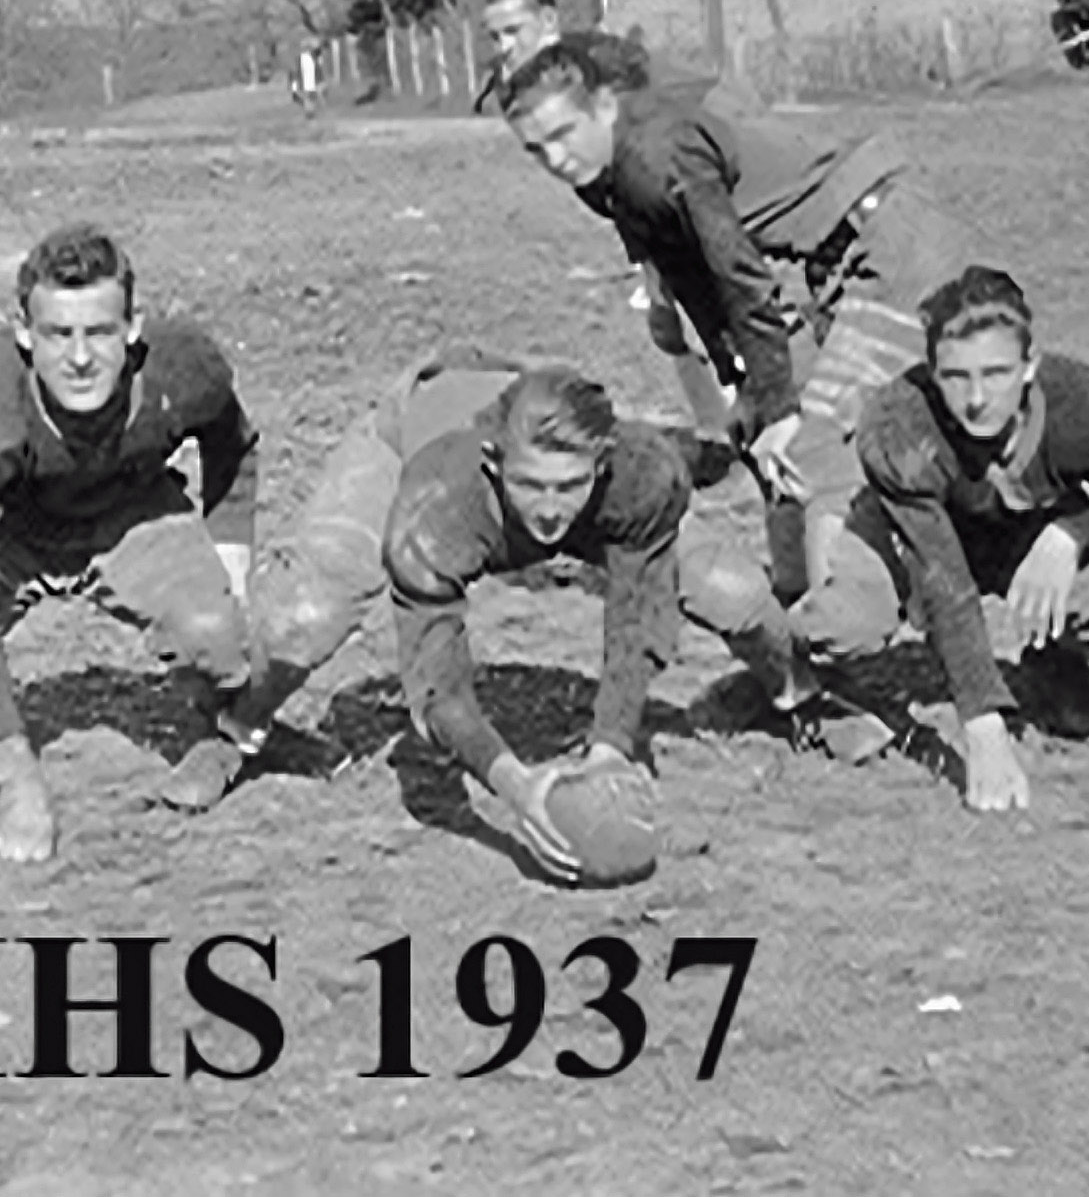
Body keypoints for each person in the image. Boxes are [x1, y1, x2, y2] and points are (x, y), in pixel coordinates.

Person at [253, 349, 797, 869]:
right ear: (495, 465)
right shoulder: (436, 507)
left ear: (601, 465)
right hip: (412, 434)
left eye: (568, 486)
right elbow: (436, 684)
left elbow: (637, 612)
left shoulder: (640, 475)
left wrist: (611, 744)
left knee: (733, 591)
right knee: (306, 617)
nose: (550, 511)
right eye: (531, 486)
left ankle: (799, 691)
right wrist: (517, 788)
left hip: (525, 409)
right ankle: (235, 726)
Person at [496, 37, 968, 634]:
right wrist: (745, 383)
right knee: (762, 437)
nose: (556, 159)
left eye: (564, 133)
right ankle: (803, 624)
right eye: (536, 150)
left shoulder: (659, 155)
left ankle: (845, 635)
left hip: (893, 246)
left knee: (814, 448)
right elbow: (691, 274)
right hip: (835, 263)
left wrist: (780, 403)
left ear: (606, 106)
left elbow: (738, 274)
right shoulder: (603, 175)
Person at [0, 224, 263, 862]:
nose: (80, 358)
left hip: (127, 515)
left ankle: (220, 731)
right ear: (24, 332)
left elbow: (231, 441)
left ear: (133, 327)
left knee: (220, 634)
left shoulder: (183, 368)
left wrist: (231, 559)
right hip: (11, 534)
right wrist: (20, 786)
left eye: (99, 332)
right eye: (58, 334)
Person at [826, 268, 1089, 812]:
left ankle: (1057, 662)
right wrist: (983, 730)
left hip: (1027, 537)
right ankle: (796, 681)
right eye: (955, 376)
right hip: (914, 537)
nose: (975, 399)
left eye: (996, 374)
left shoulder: (1082, 409)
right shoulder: (900, 426)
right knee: (842, 622)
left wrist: (1072, 535)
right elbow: (939, 571)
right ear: (931, 370)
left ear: (1030, 366)